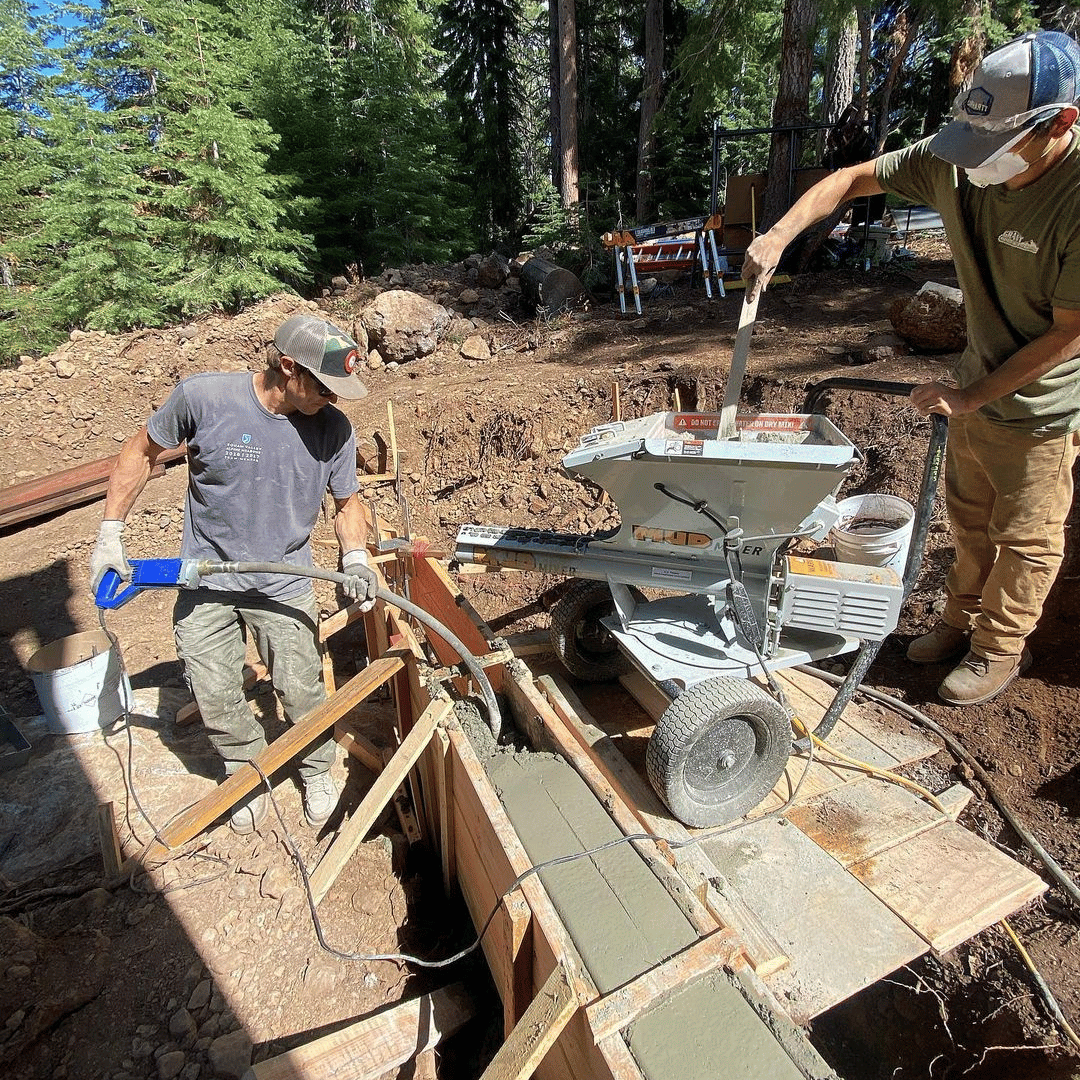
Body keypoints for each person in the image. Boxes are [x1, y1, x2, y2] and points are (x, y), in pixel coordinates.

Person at [743, 30, 1080, 706]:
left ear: (1059, 124)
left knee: (1026, 538)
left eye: (994, 145)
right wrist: (778, 233)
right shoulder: (960, 157)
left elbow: (1070, 333)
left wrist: (974, 395)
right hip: (976, 383)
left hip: (1041, 407)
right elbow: (848, 179)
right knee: (970, 522)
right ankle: (958, 620)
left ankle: (998, 648)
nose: (976, 160)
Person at [90, 314, 379, 832]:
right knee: (216, 692)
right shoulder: (204, 399)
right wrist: (111, 532)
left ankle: (315, 767)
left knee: (302, 689)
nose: (332, 399)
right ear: (288, 367)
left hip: (283, 578)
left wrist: (355, 556)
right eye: (323, 387)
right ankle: (246, 771)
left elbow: (347, 504)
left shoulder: (334, 429)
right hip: (207, 579)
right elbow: (141, 452)